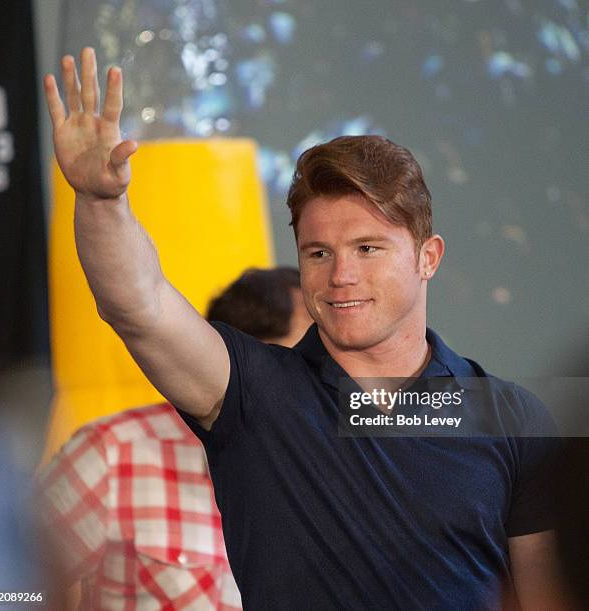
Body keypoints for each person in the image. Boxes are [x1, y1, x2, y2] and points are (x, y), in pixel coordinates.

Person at [44, 47, 565, 609]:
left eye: (368, 249)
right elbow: (137, 304)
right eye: (318, 253)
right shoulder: (252, 393)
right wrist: (101, 201)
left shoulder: (513, 419)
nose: (341, 275)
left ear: (428, 257)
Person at [38, 267, 310, 610]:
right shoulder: (117, 452)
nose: (324, 380)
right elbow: (0, 589)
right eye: (306, 362)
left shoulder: (333, 467)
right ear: (246, 359)